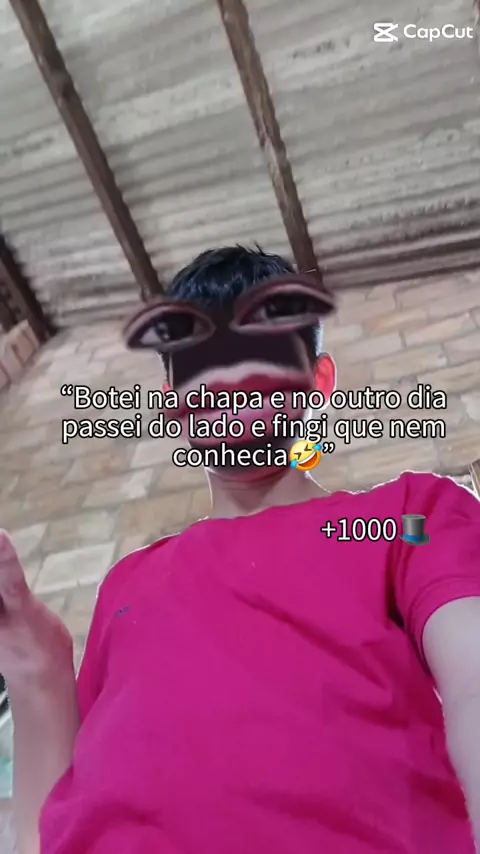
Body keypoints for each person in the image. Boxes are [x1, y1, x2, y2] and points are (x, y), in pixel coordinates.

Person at [1, 245, 480, 854]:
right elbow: (46, 830)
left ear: (317, 383)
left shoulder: (406, 518)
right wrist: (35, 666)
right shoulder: (127, 583)